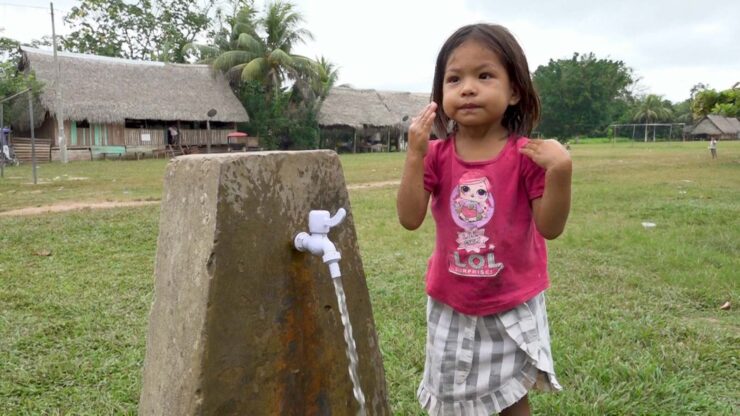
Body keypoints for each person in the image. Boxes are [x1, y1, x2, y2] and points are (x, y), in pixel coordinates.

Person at [396, 23, 572, 416]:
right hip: (452, 302)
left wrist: (560, 172)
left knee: (512, 396)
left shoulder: (528, 155)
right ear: (440, 94)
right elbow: (409, 218)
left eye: (484, 75)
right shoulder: (437, 156)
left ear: (514, 92)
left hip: (512, 302)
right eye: (454, 78)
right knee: (450, 396)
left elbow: (551, 227)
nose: (468, 88)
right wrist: (415, 155)